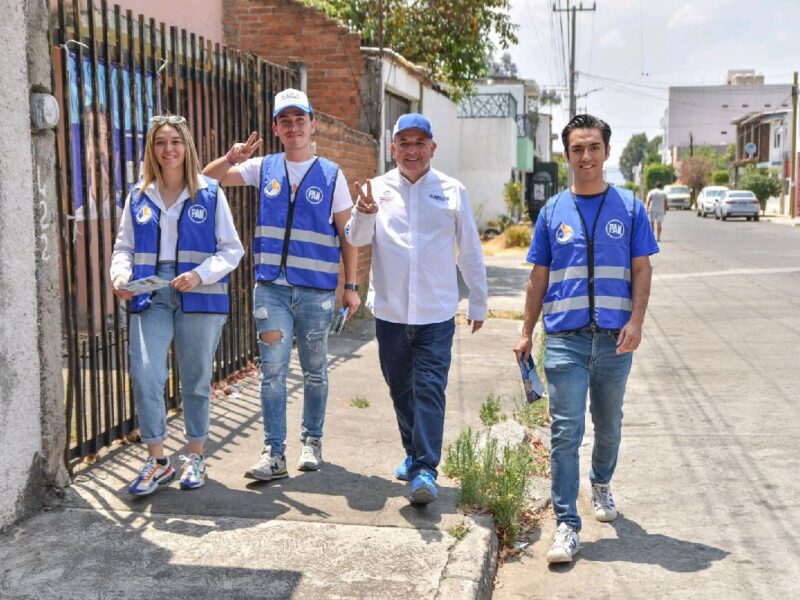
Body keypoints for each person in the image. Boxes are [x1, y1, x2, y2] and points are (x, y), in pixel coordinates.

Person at [513, 114, 659, 563]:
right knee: (565, 432)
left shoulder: (631, 208)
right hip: (565, 341)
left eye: (594, 147)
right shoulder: (552, 212)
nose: (586, 157)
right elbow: (538, 278)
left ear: (606, 152)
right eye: (577, 149)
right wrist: (525, 331)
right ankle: (566, 525)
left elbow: (641, 269)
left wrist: (636, 321)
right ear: (566, 155)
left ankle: (601, 483)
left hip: (616, 341)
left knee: (609, 425)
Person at [202, 88, 360, 481]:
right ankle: (273, 453)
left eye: (299, 119)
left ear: (312, 124)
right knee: (272, 370)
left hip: (316, 290)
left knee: (315, 369)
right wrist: (231, 158)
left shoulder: (331, 175)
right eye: (285, 120)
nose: (293, 127)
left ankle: (312, 440)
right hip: (271, 288)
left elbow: (348, 234)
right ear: (276, 127)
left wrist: (351, 286)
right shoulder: (264, 168)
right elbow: (207, 179)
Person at [346, 113, 488, 505]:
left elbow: (470, 250)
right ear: (392, 148)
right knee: (400, 390)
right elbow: (356, 238)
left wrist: (478, 298)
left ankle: (426, 468)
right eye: (404, 143)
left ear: (432, 148)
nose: (412, 151)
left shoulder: (452, 191)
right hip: (390, 313)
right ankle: (413, 453)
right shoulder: (375, 190)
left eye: (419, 143)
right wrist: (364, 213)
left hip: (436, 314)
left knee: (429, 388)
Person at [110, 114, 244, 496]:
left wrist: (200, 274)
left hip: (198, 292)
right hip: (150, 294)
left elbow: (232, 249)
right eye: (160, 142)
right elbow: (125, 248)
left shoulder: (210, 193)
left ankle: (196, 454)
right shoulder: (138, 195)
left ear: (187, 146)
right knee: (146, 373)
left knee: (196, 378)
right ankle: (157, 459)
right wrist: (119, 277)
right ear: (151, 149)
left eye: (175, 141)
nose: (168, 149)